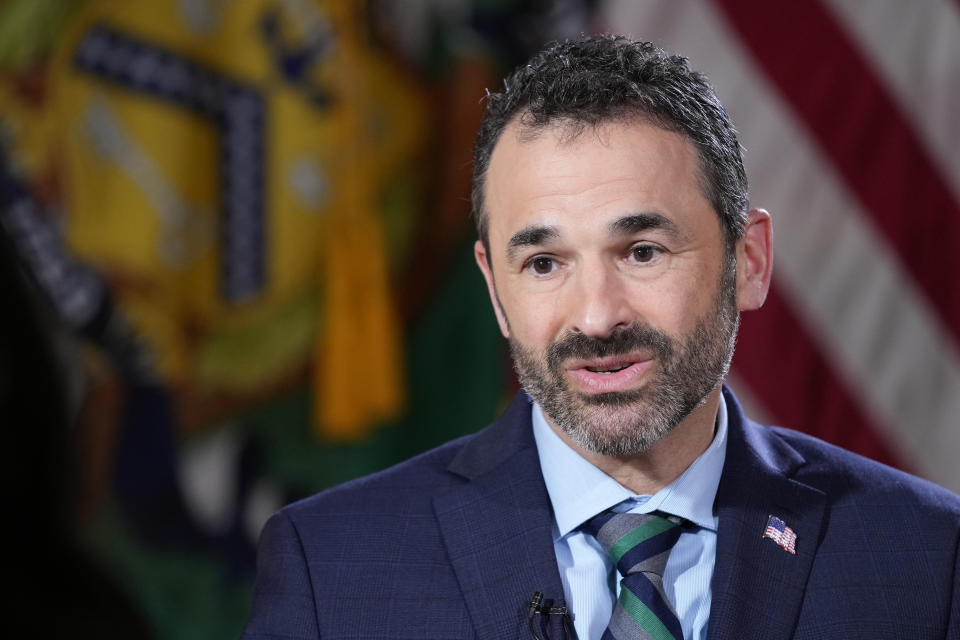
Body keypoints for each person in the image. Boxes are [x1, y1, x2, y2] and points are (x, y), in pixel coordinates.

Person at [242, 35, 960, 640]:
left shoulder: (925, 558)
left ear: (750, 260)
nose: (595, 317)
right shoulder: (331, 571)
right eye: (545, 263)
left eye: (642, 251)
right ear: (494, 288)